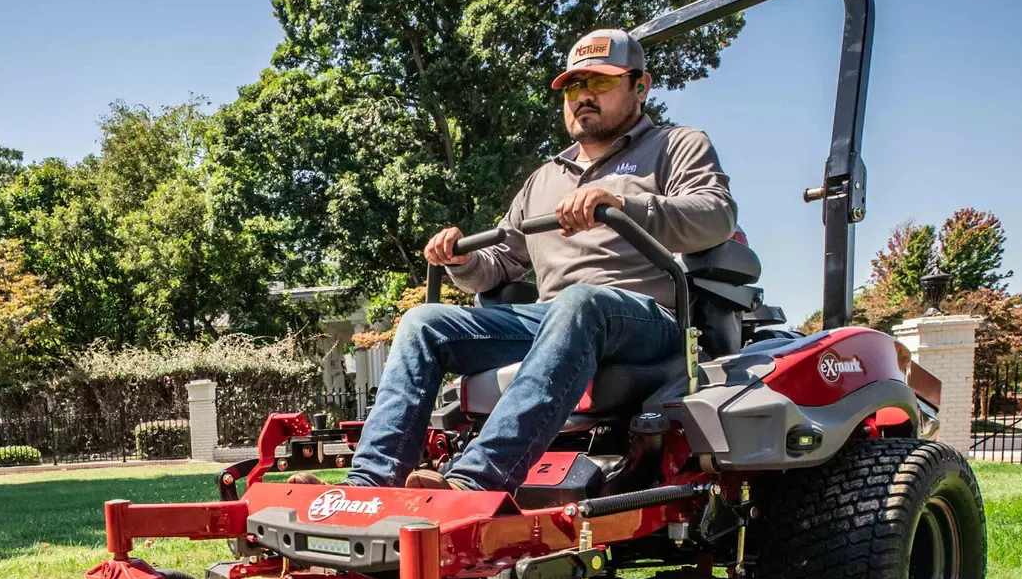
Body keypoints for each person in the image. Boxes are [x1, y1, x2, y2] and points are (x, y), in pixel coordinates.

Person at [308, 28, 737, 494]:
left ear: (640, 86)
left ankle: (474, 483)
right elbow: (499, 262)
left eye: (600, 83)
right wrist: (458, 258)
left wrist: (622, 205)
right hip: (557, 319)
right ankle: (370, 484)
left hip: (649, 320)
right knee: (422, 321)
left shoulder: (677, 146)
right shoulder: (544, 179)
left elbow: (716, 215)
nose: (583, 97)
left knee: (579, 303)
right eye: (574, 87)